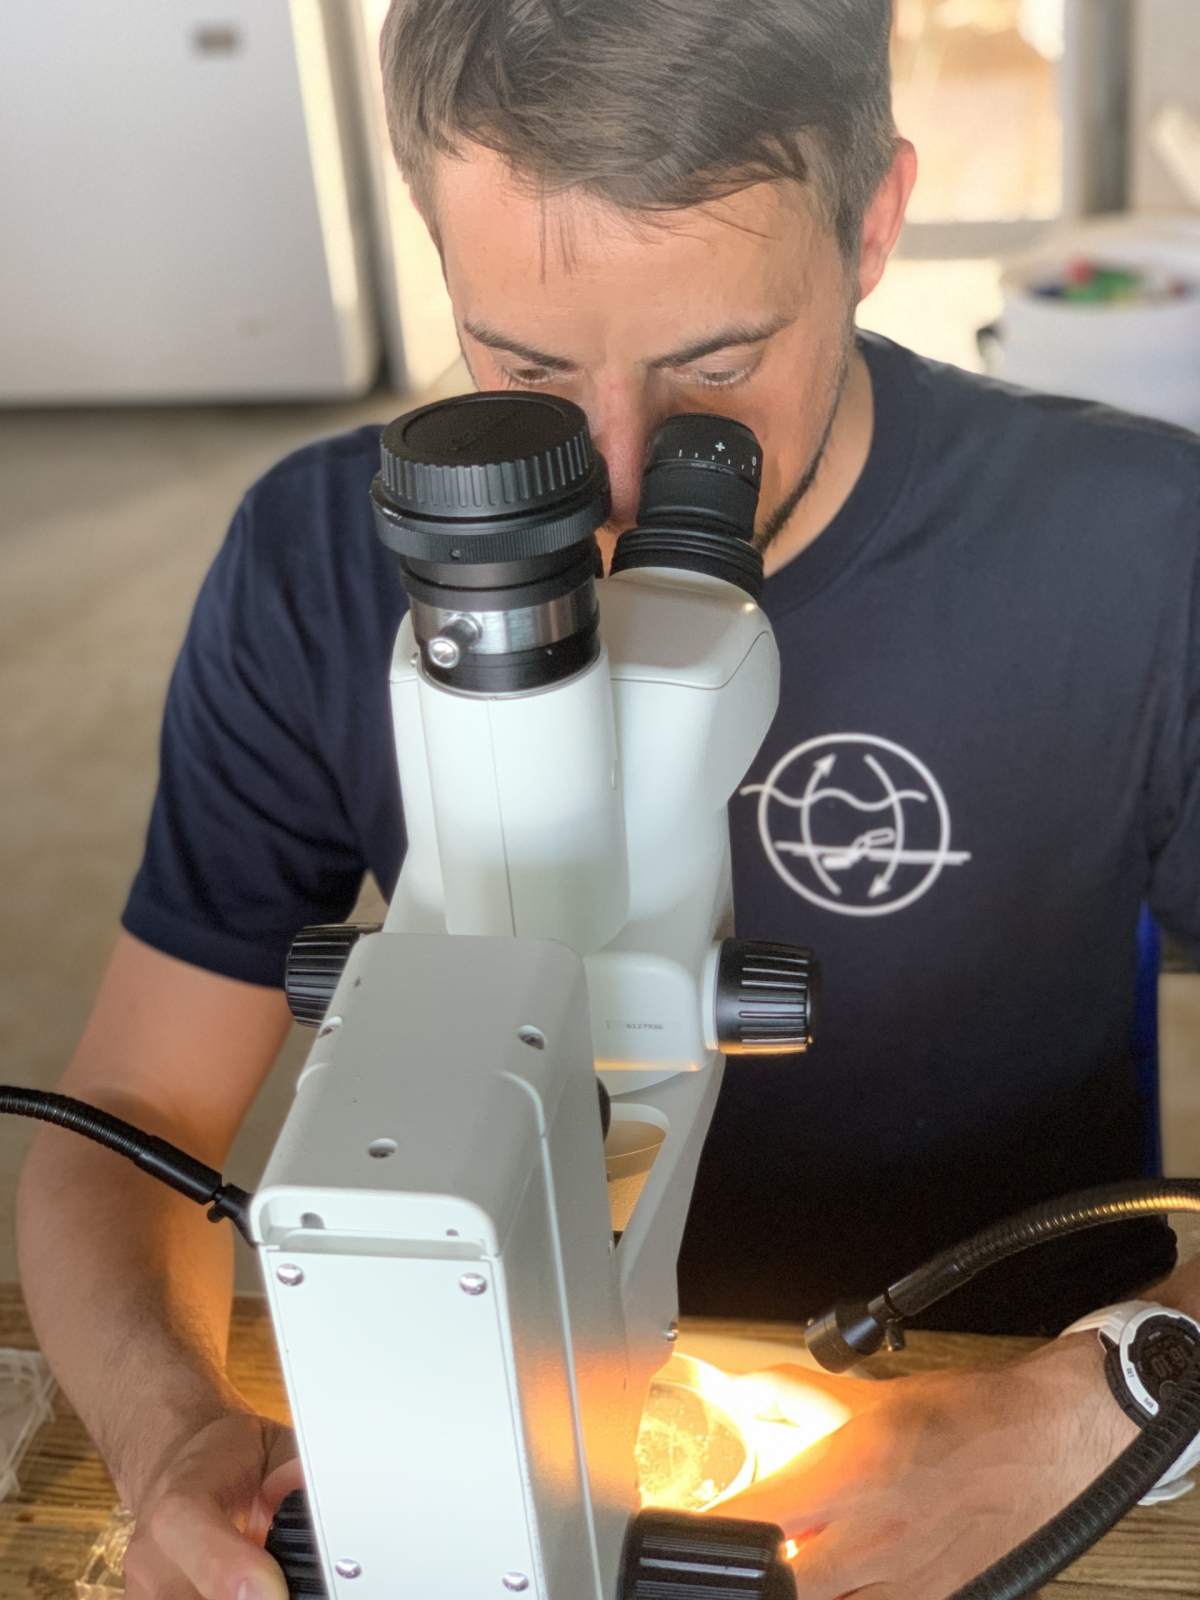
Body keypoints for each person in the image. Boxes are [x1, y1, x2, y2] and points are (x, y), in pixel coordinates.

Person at [16, 1, 1200, 1596]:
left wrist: (1119, 1390)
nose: (624, 479)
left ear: (876, 223)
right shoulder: (312, 559)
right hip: (473, 1410)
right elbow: (132, 1119)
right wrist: (169, 1438)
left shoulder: (1141, 558)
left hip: (1006, 1421)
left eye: (716, 365)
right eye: (521, 368)